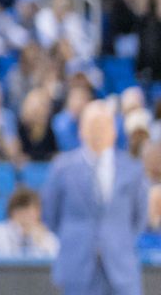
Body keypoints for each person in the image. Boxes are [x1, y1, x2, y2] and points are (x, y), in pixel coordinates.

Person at [41, 100, 150, 295]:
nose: (99, 131)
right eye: (93, 125)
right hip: (76, 268)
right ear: (81, 130)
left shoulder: (132, 169)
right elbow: (51, 216)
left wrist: (116, 238)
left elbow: (139, 217)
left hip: (121, 269)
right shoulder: (62, 168)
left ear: (114, 130)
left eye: (104, 125)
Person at [0, 188, 58, 258]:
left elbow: (54, 261)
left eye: (31, 212)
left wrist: (40, 242)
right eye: (22, 211)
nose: (26, 217)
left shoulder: (47, 237)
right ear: (12, 212)